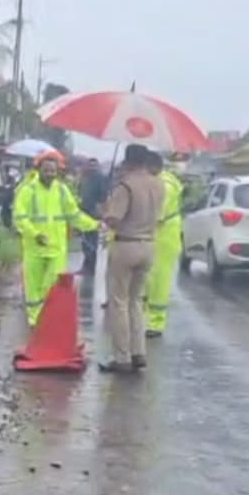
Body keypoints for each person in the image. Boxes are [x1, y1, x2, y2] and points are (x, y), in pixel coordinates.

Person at [12, 151, 98, 326]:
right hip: (34, 248)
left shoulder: (61, 190)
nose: (50, 174)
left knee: (52, 285)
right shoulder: (28, 190)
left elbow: (74, 215)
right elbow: (20, 218)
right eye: (46, 170)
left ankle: (47, 318)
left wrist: (94, 225)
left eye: (53, 171)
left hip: (57, 249)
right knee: (33, 288)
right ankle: (35, 320)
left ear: (58, 171)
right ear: (38, 170)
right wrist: (35, 234)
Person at [97, 145, 163, 373]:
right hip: (149, 245)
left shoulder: (125, 186)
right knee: (136, 302)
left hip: (126, 245)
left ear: (128, 161)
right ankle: (139, 352)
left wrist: (105, 210)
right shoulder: (159, 184)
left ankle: (122, 357)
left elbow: (114, 219)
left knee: (119, 303)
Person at [143, 152, 182, 338]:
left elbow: (157, 214)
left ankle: (156, 322)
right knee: (149, 279)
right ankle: (149, 319)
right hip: (158, 236)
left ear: (153, 167)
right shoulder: (157, 182)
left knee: (159, 282)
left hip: (164, 239)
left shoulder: (165, 186)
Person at [78, 158, 108, 275]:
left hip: (93, 213)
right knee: (85, 241)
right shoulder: (84, 178)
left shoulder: (100, 179)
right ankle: (86, 265)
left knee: (91, 242)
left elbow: (103, 196)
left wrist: (100, 210)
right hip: (83, 213)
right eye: (90, 165)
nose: (92, 168)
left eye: (94, 166)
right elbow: (80, 193)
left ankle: (90, 267)